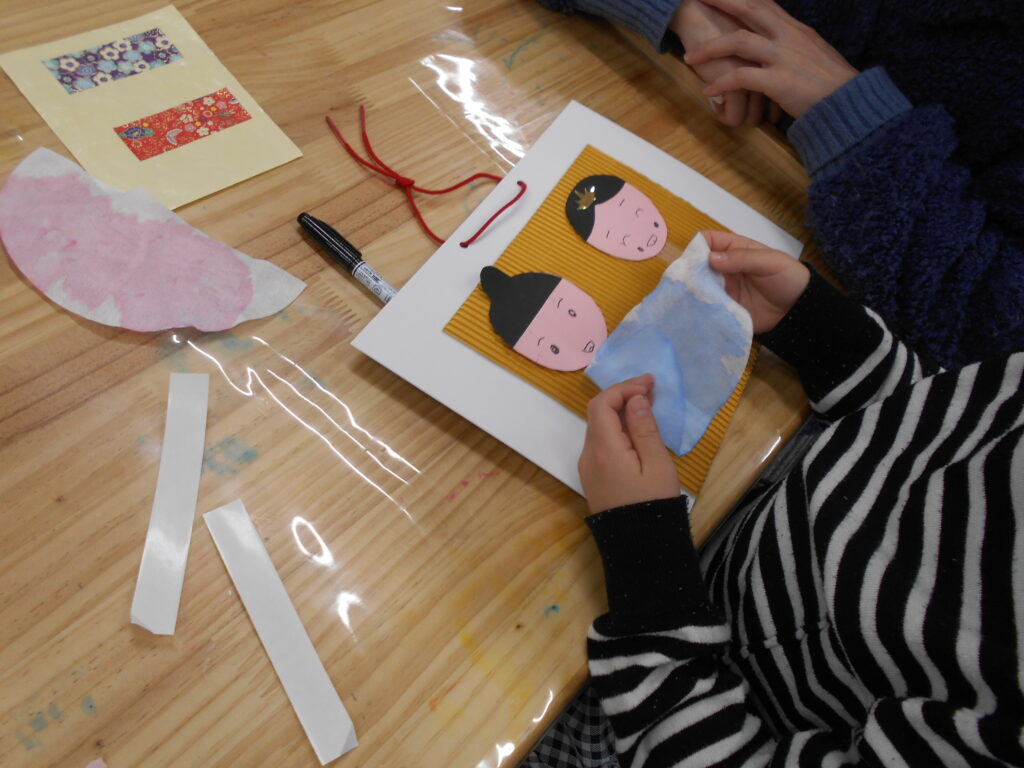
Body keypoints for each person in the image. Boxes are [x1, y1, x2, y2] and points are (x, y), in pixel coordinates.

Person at [525, 230, 1024, 767]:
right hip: (744, 521)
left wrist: (643, 545)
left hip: (661, 700)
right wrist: (826, 333)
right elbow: (938, 429)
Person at [535, 0, 1024, 369]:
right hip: (628, 85)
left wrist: (849, 114)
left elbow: (985, 329)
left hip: (816, 281)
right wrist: (687, 13)